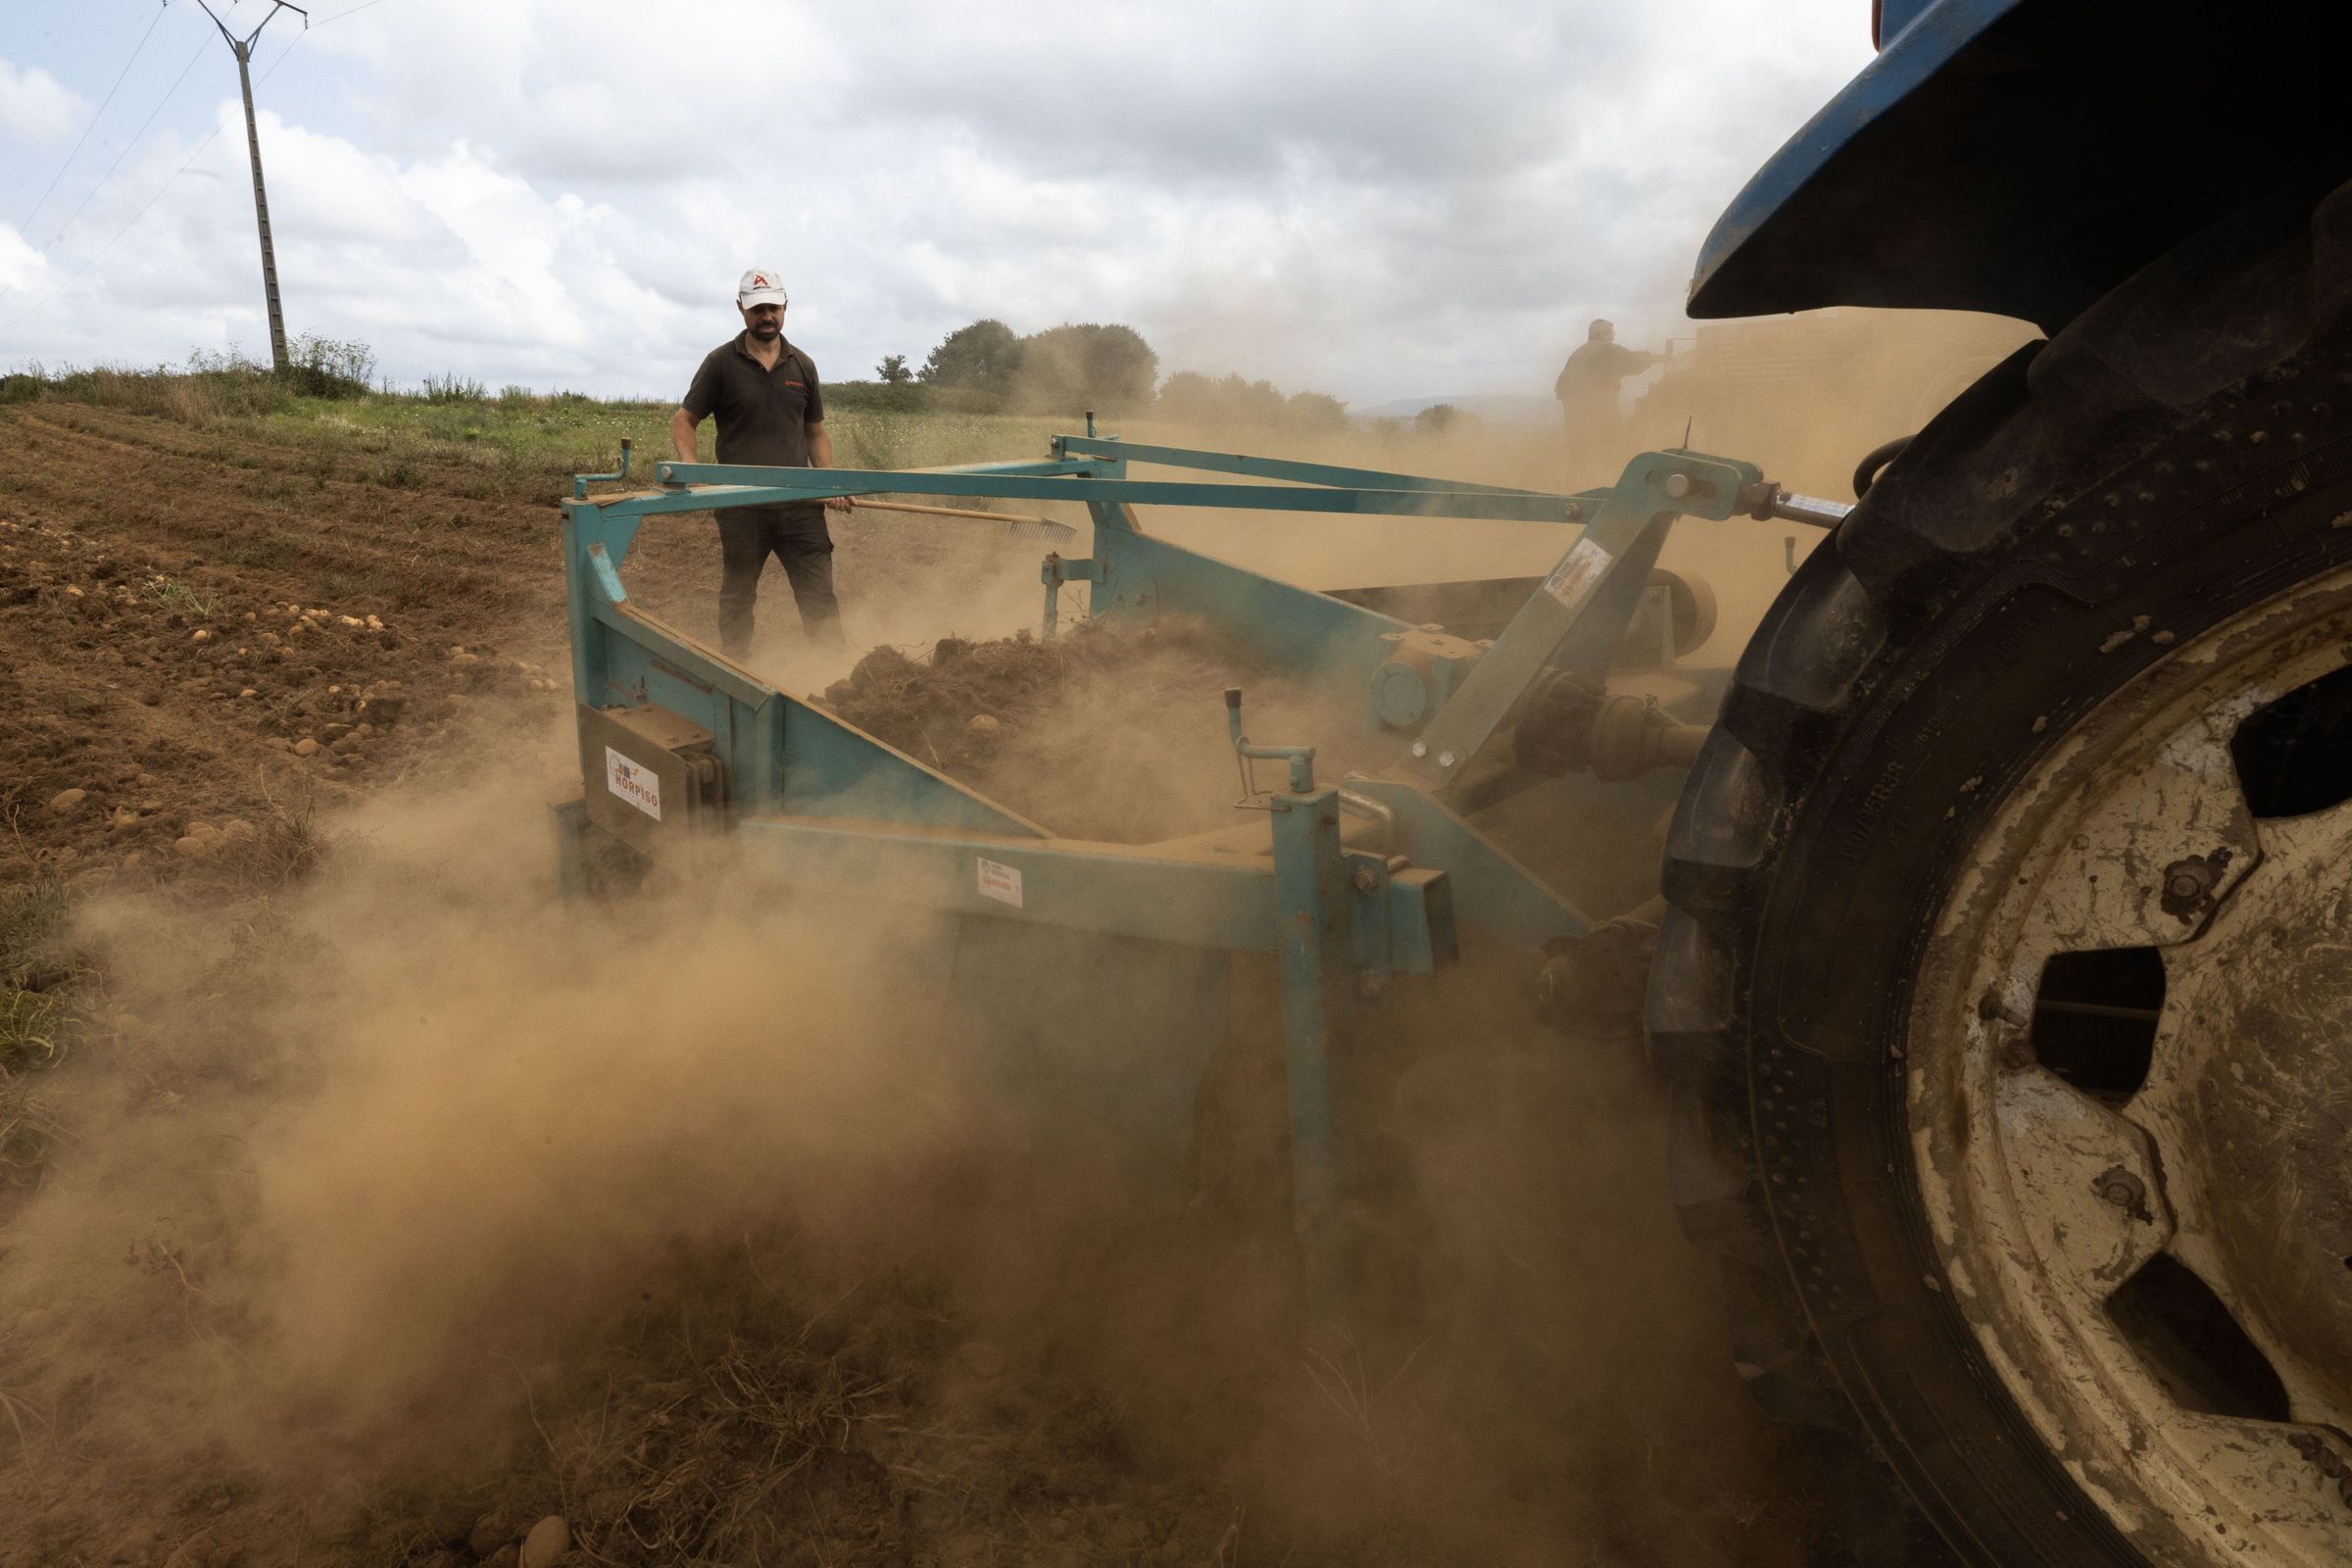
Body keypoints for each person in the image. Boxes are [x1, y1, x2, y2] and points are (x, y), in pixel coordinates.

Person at [670, 267, 855, 658]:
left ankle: (832, 669)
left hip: (800, 504)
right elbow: (684, 421)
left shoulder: (803, 365)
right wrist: (693, 471)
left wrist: (829, 483)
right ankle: (736, 666)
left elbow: (815, 432)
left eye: (773, 308)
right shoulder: (720, 363)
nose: (767, 316)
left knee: (819, 596)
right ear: (741, 308)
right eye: (757, 309)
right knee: (738, 596)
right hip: (741, 505)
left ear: (786, 306)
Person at [1553, 318, 1664, 469]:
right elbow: (1633, 360)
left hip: (1574, 411)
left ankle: (1580, 478)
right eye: (1611, 333)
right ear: (1603, 334)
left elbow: (1562, 388)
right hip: (1598, 409)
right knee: (1610, 446)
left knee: (1580, 452)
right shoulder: (1606, 349)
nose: (1614, 336)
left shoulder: (1579, 353)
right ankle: (1607, 475)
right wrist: (1663, 357)